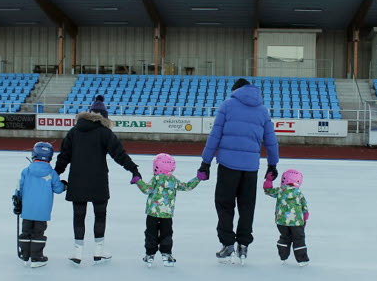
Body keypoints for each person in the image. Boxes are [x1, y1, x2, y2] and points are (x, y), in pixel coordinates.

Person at [197, 77, 279, 263]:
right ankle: (243, 245)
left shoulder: (227, 105)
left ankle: (227, 244)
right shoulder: (262, 111)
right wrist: (272, 164)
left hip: (228, 166)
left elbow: (215, 135)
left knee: (225, 204)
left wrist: (205, 162)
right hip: (250, 168)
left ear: (235, 90)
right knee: (247, 206)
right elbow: (271, 140)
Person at [55, 95, 142, 265]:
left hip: (77, 180)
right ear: (104, 117)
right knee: (100, 215)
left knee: (78, 216)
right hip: (98, 181)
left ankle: (77, 252)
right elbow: (119, 154)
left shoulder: (74, 132)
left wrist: (54, 174)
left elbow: (64, 156)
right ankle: (98, 252)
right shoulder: (105, 132)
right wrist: (134, 170)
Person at [132, 153, 201, 267]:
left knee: (151, 233)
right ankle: (166, 253)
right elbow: (187, 186)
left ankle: (150, 254)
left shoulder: (155, 179)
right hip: (167, 214)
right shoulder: (173, 181)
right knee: (166, 233)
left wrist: (138, 180)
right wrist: (198, 178)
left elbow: (146, 190)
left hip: (152, 213)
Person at [15, 142, 67, 268]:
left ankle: (25, 255)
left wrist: (17, 202)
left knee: (26, 231)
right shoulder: (52, 173)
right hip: (42, 211)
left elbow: (19, 188)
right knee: (38, 232)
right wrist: (64, 185)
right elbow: (58, 189)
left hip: (27, 209)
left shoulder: (26, 171)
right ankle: (37, 257)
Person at [263, 169, 310, 266]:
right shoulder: (298, 193)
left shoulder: (280, 191)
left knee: (285, 237)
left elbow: (268, 191)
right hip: (296, 222)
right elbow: (304, 204)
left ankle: (283, 256)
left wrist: (268, 181)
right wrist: (305, 215)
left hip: (281, 221)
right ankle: (302, 259)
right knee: (299, 239)